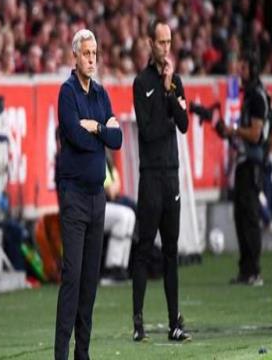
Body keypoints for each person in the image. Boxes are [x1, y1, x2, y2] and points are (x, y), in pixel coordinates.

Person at [55, 29, 122, 360]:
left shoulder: (100, 93)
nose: (92, 59)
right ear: (75, 57)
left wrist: (95, 127)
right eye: (86, 53)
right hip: (74, 197)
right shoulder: (67, 93)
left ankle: (83, 354)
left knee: (90, 282)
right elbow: (75, 136)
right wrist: (102, 132)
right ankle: (61, 355)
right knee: (73, 277)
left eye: (94, 53)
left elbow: (117, 139)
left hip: (98, 199)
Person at [131, 19, 190, 342]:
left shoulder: (174, 82)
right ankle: (138, 321)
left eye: (169, 42)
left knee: (171, 250)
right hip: (151, 177)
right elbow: (148, 131)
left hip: (171, 176)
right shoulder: (141, 83)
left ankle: (174, 322)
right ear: (150, 44)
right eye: (161, 42)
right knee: (143, 248)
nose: (166, 48)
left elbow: (183, 124)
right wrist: (166, 108)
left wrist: (169, 91)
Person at [221, 52, 268, 286]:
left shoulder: (257, 97)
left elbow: (256, 134)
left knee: (249, 216)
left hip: (252, 163)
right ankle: (246, 269)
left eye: (245, 68)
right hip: (244, 162)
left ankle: (254, 270)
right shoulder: (250, 96)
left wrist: (235, 131)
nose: (241, 72)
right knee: (240, 215)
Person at [101, 153, 136, 282]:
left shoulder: (103, 157)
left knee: (130, 215)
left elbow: (115, 186)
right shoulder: (92, 156)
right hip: (89, 207)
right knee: (123, 216)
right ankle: (111, 268)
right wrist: (114, 183)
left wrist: (114, 183)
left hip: (101, 205)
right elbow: (111, 191)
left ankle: (122, 267)